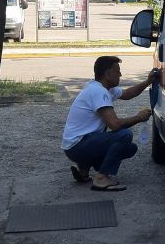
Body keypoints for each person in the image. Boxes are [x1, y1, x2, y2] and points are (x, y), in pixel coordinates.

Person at [61, 55, 156, 191]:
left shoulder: (102, 88)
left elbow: (128, 93)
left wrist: (147, 82)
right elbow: (115, 125)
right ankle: (101, 178)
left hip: (74, 145)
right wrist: (138, 117)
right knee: (125, 135)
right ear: (107, 73)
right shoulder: (99, 92)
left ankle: (84, 170)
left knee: (130, 149)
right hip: (78, 146)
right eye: (117, 71)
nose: (120, 74)